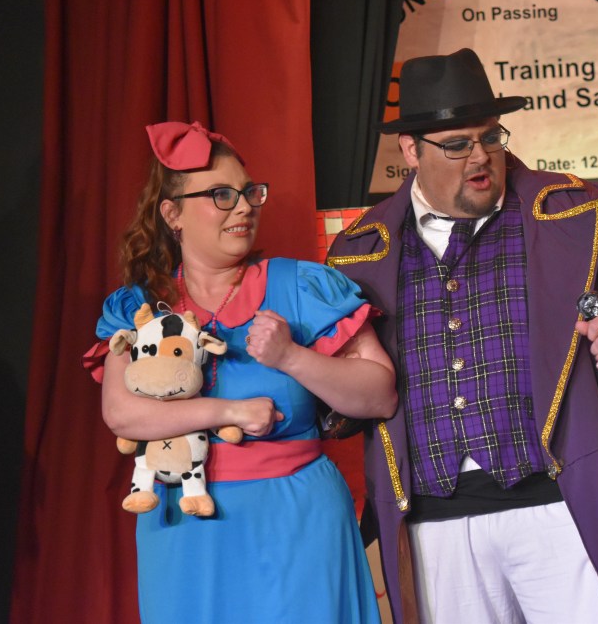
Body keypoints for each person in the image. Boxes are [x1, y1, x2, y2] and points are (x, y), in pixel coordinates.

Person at [327, 49, 598, 624]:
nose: (480, 156)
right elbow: (344, 390)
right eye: (457, 145)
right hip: (434, 526)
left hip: (561, 507)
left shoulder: (577, 212)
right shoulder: (360, 250)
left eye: (490, 137)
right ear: (411, 151)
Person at [87, 120, 396, 623]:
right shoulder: (139, 307)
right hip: (184, 526)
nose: (245, 207)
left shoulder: (301, 286)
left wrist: (291, 357)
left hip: (296, 520)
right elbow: (123, 414)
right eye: (222, 195)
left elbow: (380, 394)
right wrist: (229, 411)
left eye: (250, 193)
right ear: (172, 214)